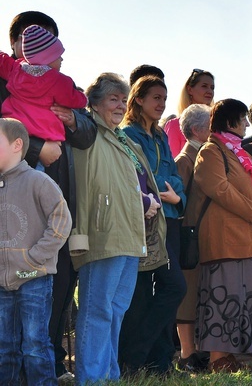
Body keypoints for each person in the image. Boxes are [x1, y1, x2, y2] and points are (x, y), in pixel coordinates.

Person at [2, 11, 96, 383]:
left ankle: (50, 365)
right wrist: (37, 146)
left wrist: (72, 120)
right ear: (15, 46)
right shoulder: (8, 79)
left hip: (57, 206)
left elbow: (86, 132)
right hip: (14, 208)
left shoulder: (57, 82)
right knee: (15, 288)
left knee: (55, 284)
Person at [69, 73, 167, 384]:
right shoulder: (88, 133)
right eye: (113, 99)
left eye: (123, 101)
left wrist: (147, 201)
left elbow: (127, 185)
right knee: (97, 311)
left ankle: (108, 375)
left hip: (127, 233)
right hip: (102, 232)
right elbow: (91, 187)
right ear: (94, 103)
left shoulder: (119, 138)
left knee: (115, 310)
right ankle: (91, 378)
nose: (120, 106)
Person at [193, 99, 252, 372]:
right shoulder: (211, 151)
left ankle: (231, 354)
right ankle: (217, 358)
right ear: (230, 122)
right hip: (223, 239)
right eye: (243, 120)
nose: (247, 125)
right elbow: (221, 190)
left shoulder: (240, 152)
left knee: (242, 298)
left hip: (248, 239)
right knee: (222, 297)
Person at [119, 76, 187, 374]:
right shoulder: (128, 134)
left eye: (164, 97)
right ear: (138, 99)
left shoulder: (160, 135)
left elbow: (176, 178)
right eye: (155, 97)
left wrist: (175, 195)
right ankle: (136, 359)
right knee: (147, 291)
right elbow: (139, 174)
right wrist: (168, 190)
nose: (161, 103)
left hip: (169, 220)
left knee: (170, 288)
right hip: (143, 218)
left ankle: (156, 361)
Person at [0, 118, 72, 385]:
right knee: (4, 348)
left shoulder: (38, 181)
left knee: (34, 346)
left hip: (33, 276)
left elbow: (62, 220)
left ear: (17, 145)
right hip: (2, 282)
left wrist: (35, 257)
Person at [0, 26, 87, 145]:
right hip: (46, 134)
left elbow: (2, 60)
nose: (62, 59)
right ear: (47, 59)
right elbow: (73, 99)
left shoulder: (15, 69)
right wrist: (84, 98)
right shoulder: (59, 81)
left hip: (14, 129)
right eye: (58, 56)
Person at [173, 104, 211, 372]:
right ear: (198, 130)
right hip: (189, 237)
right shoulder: (185, 161)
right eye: (211, 125)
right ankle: (187, 353)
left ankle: (198, 348)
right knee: (187, 296)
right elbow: (180, 205)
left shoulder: (206, 157)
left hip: (205, 236)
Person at [163, 69, 215, 157]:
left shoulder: (217, 126)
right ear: (190, 89)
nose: (209, 91)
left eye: (212, 87)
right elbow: (173, 162)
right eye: (204, 86)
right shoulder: (174, 125)